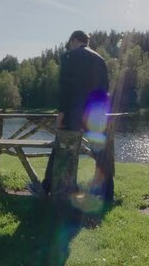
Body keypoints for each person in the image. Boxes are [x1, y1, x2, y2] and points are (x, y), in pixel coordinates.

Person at [39, 30, 113, 200]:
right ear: (86, 41)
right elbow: (105, 89)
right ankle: (107, 193)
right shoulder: (100, 59)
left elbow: (66, 89)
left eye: (70, 42)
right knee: (100, 153)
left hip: (74, 112)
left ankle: (49, 188)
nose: (69, 45)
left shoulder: (69, 57)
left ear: (73, 40)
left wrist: (61, 114)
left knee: (62, 148)